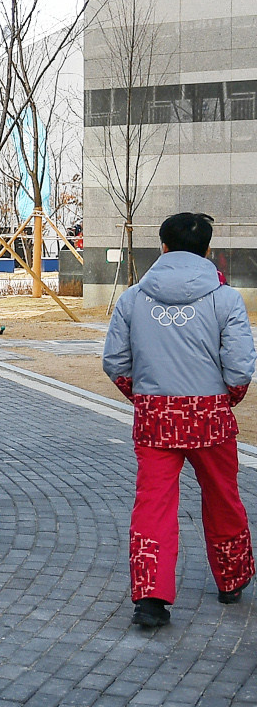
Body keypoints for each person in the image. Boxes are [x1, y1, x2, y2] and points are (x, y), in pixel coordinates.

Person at [102, 212, 255, 630]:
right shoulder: (226, 299)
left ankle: (151, 598)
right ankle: (232, 579)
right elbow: (240, 369)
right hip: (211, 417)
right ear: (207, 251)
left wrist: (144, 397)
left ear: (163, 247)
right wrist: (225, 398)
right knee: (223, 497)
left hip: (156, 418)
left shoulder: (134, 297)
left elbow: (114, 361)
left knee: (153, 504)